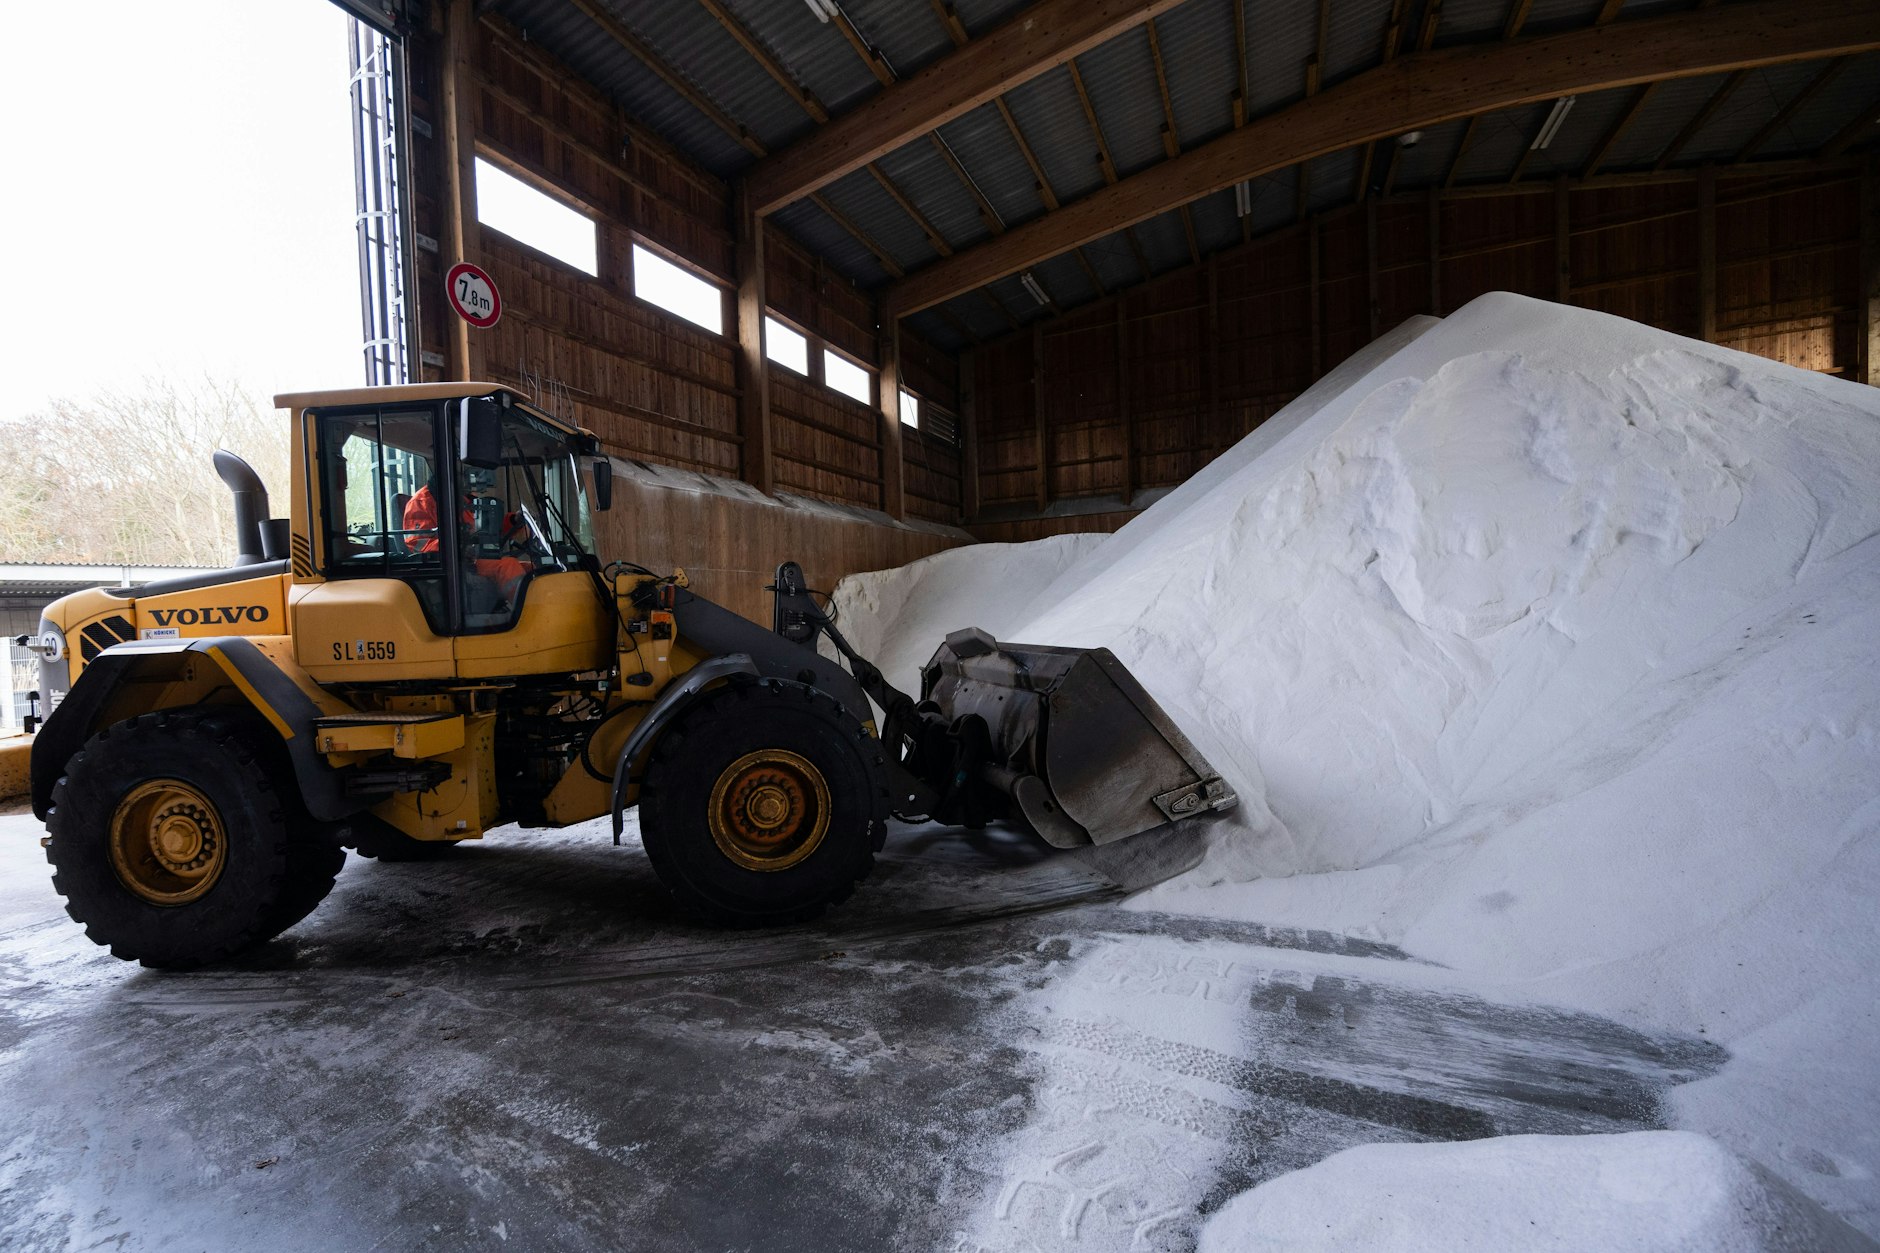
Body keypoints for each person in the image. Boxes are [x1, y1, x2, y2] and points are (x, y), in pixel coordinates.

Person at [402, 470, 532, 604]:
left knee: (532, 568)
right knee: (508, 566)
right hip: (456, 564)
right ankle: (526, 609)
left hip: (479, 556)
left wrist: (513, 521)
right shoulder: (420, 503)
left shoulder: (460, 498)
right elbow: (417, 544)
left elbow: (487, 528)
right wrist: (458, 547)